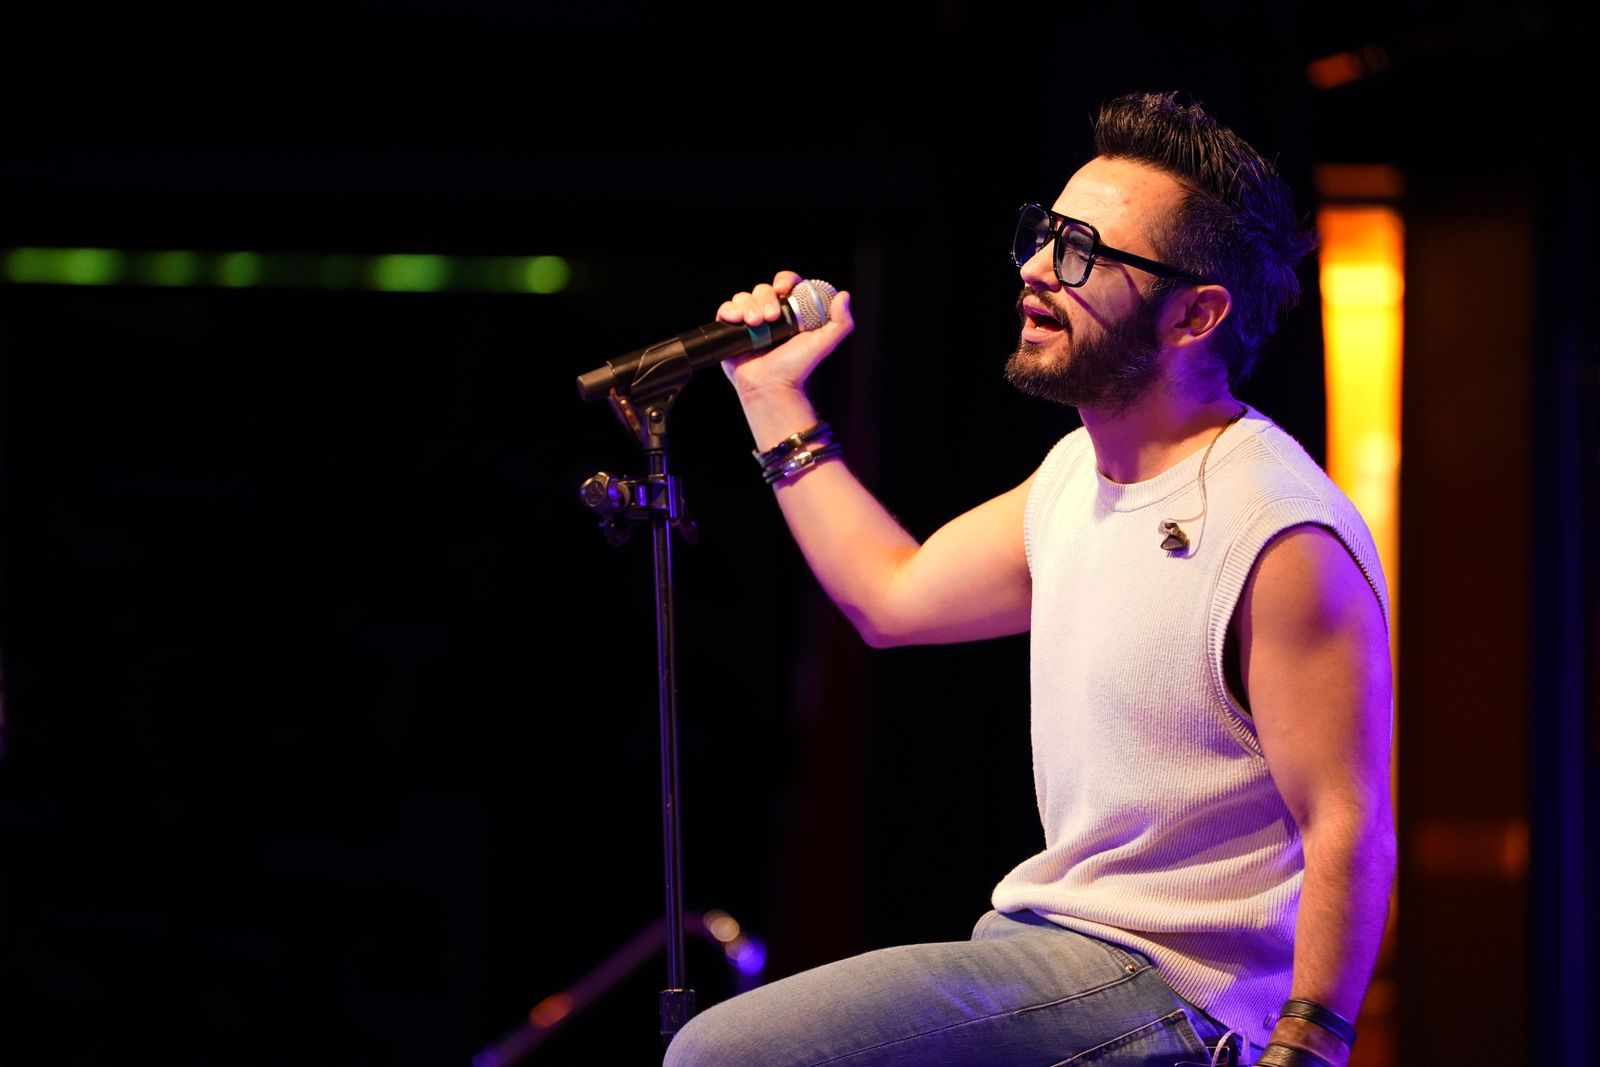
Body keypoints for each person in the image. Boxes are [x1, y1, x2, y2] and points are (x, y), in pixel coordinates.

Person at [664, 92, 1394, 1067]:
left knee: (725, 1052)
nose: (1037, 269)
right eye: (1043, 235)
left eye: (1082, 252)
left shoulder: (1275, 528)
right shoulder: (1075, 476)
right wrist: (770, 395)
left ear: (1195, 313)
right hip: (1052, 947)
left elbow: (1348, 822)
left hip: (1180, 991)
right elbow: (891, 596)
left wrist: (1306, 1049)